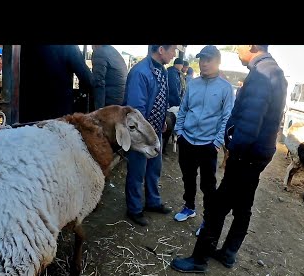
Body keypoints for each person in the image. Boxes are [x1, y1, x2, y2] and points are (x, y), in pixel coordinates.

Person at [170, 45, 287, 273]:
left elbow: (250, 121)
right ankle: (228, 253)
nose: (237, 49)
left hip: (246, 156)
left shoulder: (262, 75)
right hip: (258, 154)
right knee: (244, 206)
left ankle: (199, 259)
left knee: (217, 206)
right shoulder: (274, 72)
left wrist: (232, 148)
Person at [173, 45, 234, 232]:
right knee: (188, 177)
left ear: (217, 62)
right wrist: (179, 131)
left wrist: (217, 142)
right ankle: (189, 207)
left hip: (208, 144)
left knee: (208, 185)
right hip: (187, 140)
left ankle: (207, 220)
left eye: (208, 60)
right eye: (201, 59)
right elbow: (183, 108)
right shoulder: (193, 84)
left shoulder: (225, 88)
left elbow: (226, 117)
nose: (203, 63)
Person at [123, 45, 177, 226]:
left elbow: (161, 99)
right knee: (137, 172)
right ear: (161, 49)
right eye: (173, 49)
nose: (174, 54)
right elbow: (136, 112)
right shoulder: (140, 72)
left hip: (155, 132)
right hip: (142, 135)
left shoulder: (161, 70)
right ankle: (135, 209)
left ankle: (153, 201)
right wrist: (145, 134)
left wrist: (161, 120)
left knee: (154, 168)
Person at [18, 45, 93, 122]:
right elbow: (88, 80)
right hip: (58, 115)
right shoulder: (68, 47)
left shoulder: (22, 47)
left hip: (28, 114)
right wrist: (78, 94)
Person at [91, 45, 128, 110]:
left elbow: (98, 82)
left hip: (110, 102)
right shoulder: (112, 51)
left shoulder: (99, 52)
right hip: (121, 99)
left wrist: (99, 110)